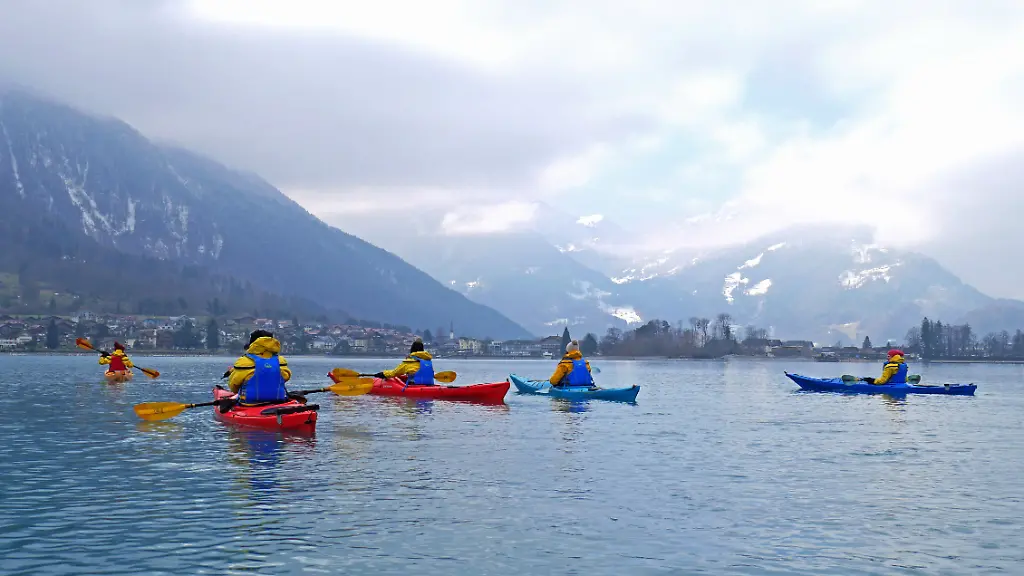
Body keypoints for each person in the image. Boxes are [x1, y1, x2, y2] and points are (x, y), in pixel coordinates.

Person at [226, 330, 293, 405]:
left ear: (252, 344)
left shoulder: (243, 362)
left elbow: (233, 387)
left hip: (249, 404)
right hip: (278, 402)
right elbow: (286, 377)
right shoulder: (280, 361)